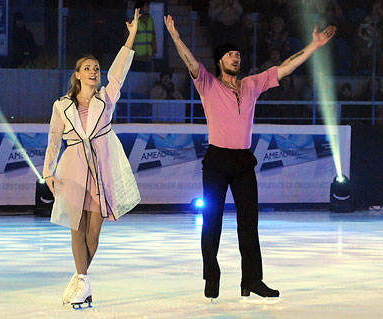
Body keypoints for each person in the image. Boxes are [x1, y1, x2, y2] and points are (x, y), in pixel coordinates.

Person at [164, 14, 336, 300]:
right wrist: (175, 35)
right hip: (217, 159)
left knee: (249, 222)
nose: (236, 58)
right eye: (230, 54)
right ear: (220, 61)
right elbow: (190, 61)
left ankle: (252, 281)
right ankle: (212, 276)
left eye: (238, 55)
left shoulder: (251, 85)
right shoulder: (207, 84)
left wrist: (314, 46)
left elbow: (284, 67)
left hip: (243, 160)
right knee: (212, 221)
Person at [42, 9, 142, 309]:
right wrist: (48, 172)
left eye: (96, 67)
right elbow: (53, 139)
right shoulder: (61, 105)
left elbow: (120, 72)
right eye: (87, 67)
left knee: (94, 231)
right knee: (77, 227)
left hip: (100, 169)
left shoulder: (106, 99)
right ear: (77, 74)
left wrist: (132, 35)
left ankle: (79, 279)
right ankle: (83, 282)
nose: (93, 71)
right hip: (72, 168)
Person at [132, 0, 157, 71]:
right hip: (137, 58)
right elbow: (128, 38)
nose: (148, 8)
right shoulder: (134, 20)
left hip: (148, 57)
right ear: (141, 7)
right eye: (146, 6)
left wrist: (154, 51)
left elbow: (153, 36)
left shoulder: (150, 20)